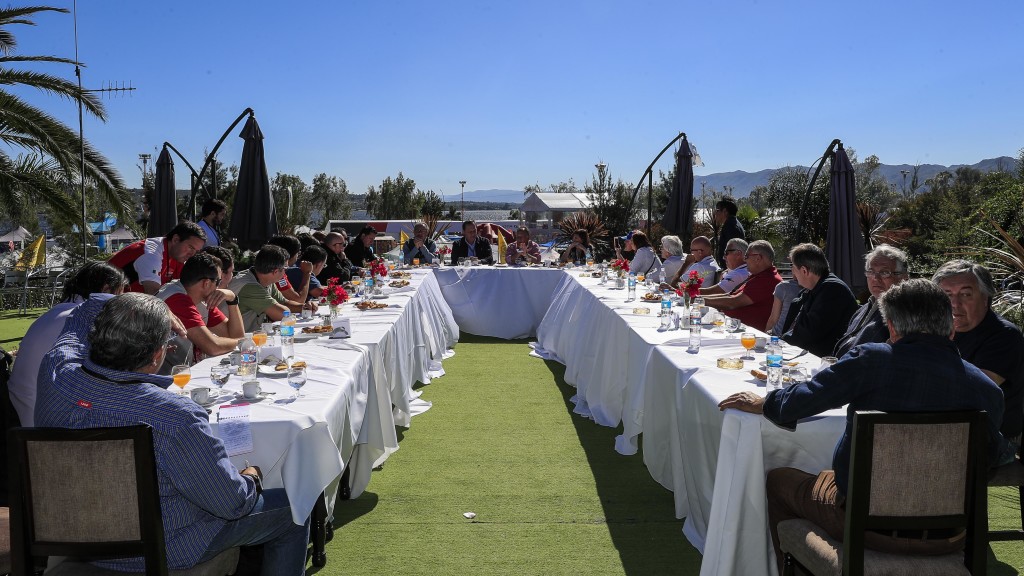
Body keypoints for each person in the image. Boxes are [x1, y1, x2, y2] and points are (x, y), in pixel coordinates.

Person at [718, 279, 1009, 575]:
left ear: (891, 327)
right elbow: (992, 456)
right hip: (948, 535)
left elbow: (801, 401)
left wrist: (765, 402)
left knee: (779, 480)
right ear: (950, 329)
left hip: (864, 523)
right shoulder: (986, 390)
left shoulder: (872, 360)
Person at [35, 292, 310, 573]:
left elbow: (85, 309)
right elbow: (231, 504)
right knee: (295, 509)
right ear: (157, 354)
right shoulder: (173, 415)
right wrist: (252, 478)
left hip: (69, 536)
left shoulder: (55, 370)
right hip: (165, 546)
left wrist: (142, 305)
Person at [8, 262, 125, 427]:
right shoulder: (81, 318)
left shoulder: (54, 314)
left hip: (19, 412)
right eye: (120, 295)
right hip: (42, 424)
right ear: (106, 291)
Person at [934, 259, 1024, 445]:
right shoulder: (936, 331)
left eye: (966, 294)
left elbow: (974, 393)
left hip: (994, 438)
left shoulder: (1004, 335)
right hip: (949, 429)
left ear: (985, 298)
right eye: (946, 294)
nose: (954, 304)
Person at [157, 252, 244, 367]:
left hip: (182, 374)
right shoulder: (176, 299)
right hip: (164, 379)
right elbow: (212, 347)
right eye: (218, 281)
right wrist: (244, 343)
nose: (219, 287)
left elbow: (235, 335)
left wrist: (232, 299)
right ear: (206, 283)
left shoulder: (201, 299)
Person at [780, 243, 858, 357]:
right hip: (809, 354)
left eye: (793, 267)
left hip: (826, 360)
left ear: (804, 270)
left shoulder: (832, 290)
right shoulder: (815, 288)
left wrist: (780, 342)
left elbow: (809, 333)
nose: (793, 274)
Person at [833, 245, 910, 357]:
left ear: (904, 278)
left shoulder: (904, 314)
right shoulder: (863, 309)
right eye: (871, 271)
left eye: (884, 272)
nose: (875, 278)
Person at [109, 221, 207, 295]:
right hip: (108, 310)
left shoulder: (178, 255)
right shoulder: (151, 253)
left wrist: (222, 293)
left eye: (196, 251)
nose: (192, 254)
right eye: (191, 248)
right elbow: (153, 295)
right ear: (175, 239)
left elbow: (192, 289)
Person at [229, 245, 310, 332]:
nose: (285, 273)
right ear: (275, 271)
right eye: (285, 269)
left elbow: (284, 302)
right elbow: (282, 314)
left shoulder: (265, 280)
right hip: (238, 341)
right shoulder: (249, 286)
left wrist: (305, 307)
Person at [704, 240, 781, 330]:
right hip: (733, 327)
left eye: (747, 256)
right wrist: (699, 298)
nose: (744, 259)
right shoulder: (758, 275)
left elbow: (733, 302)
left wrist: (699, 300)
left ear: (758, 258)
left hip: (747, 335)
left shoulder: (768, 279)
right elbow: (730, 295)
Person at [267, 235, 313, 303]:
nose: (298, 257)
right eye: (298, 253)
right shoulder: (277, 272)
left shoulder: (270, 268)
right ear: (288, 255)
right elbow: (299, 301)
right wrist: (307, 273)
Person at [714, 197, 744, 266]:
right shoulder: (732, 224)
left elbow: (734, 252)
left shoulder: (731, 227)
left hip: (732, 269)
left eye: (717, 210)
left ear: (725, 211)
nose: (715, 213)